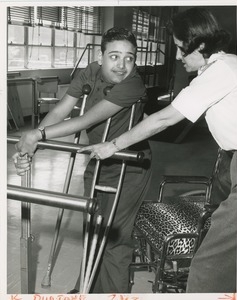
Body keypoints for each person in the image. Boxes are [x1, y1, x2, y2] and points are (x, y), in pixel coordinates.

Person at [81, 8, 237, 293]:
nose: (177, 56)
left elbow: (164, 119)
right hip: (232, 162)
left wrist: (113, 145)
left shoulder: (220, 72)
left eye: (180, 48)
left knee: (210, 266)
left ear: (200, 46)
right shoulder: (228, 66)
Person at [13, 27, 152, 293]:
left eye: (129, 58)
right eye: (114, 56)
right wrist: (32, 146)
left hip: (130, 164)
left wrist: (37, 135)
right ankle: (86, 289)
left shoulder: (134, 84)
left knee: (114, 238)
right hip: (99, 161)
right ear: (100, 57)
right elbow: (61, 110)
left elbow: (87, 120)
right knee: (93, 230)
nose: (122, 65)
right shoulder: (90, 71)